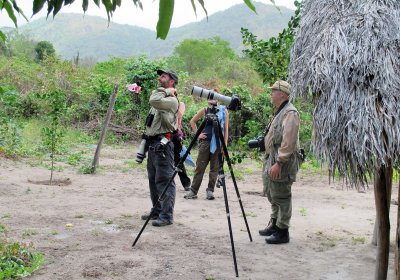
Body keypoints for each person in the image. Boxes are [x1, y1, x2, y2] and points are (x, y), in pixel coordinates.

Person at [259, 80, 301, 244]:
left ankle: (282, 231)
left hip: (282, 160)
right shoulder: (280, 111)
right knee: (272, 191)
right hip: (273, 158)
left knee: (282, 194)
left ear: (283, 94)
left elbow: (288, 141)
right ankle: (275, 224)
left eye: (274, 91)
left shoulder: (290, 113)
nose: (271, 93)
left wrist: (280, 162)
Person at [140, 69, 179, 227]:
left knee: (164, 181)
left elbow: (154, 99)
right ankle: (157, 210)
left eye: (163, 77)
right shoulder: (162, 97)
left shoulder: (170, 100)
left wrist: (167, 91)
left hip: (163, 146)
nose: (159, 78)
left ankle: (166, 215)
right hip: (153, 144)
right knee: (153, 180)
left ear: (172, 82)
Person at [184, 94, 229, 200]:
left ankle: (210, 191)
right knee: (200, 167)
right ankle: (193, 190)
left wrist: (224, 145)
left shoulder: (224, 111)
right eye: (210, 98)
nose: (212, 100)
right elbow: (192, 121)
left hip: (218, 143)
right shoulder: (204, 110)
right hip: (205, 142)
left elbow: (226, 130)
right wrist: (198, 134)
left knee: (215, 168)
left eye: (214, 98)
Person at [173, 98, 192, 191]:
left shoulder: (181, 104)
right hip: (164, 133)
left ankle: (186, 183)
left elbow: (178, 115)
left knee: (178, 160)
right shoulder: (164, 103)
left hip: (175, 135)